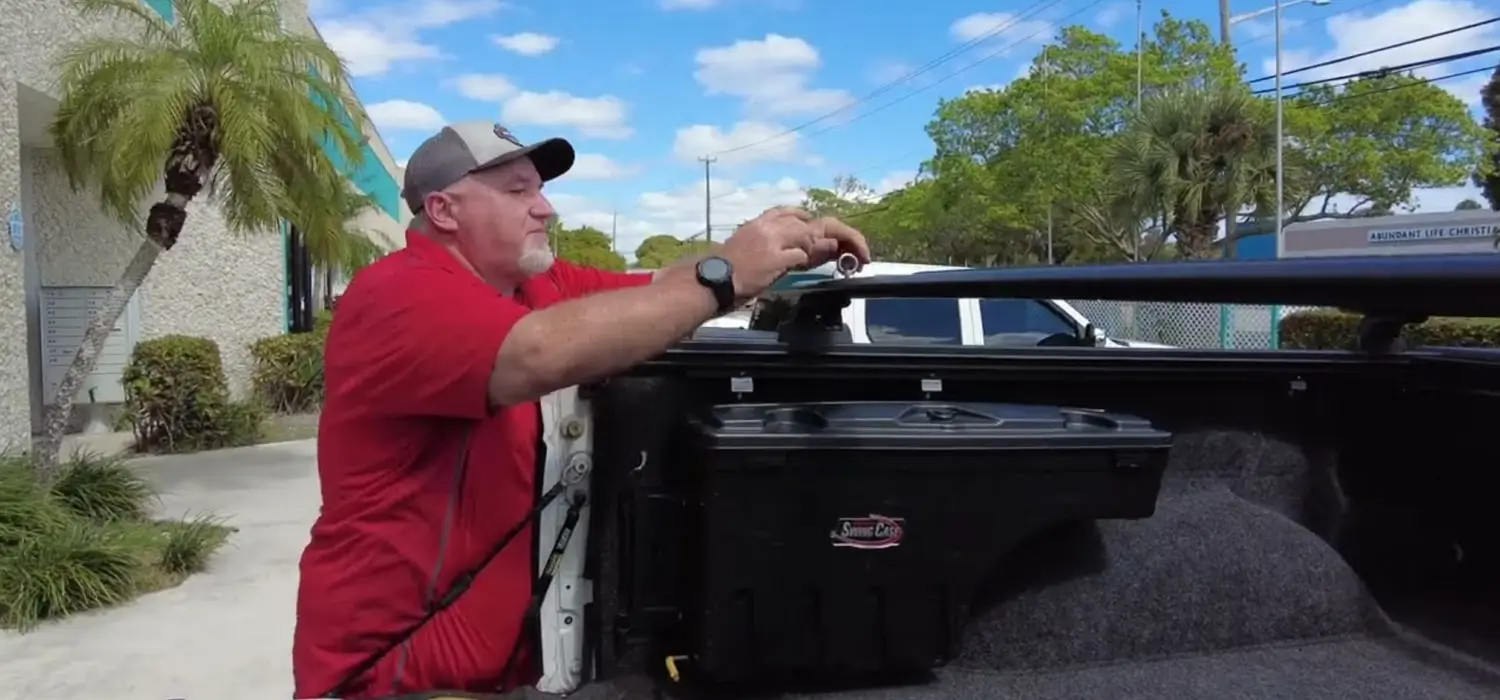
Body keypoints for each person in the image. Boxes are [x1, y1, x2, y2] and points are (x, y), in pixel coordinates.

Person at [291, 121, 870, 699]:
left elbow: (658, 288)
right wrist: (725, 276)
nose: (545, 208)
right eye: (518, 191)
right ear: (444, 210)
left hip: (504, 672)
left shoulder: (532, 287)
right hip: (389, 675)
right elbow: (538, 352)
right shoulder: (397, 294)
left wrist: (770, 254)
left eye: (540, 190)